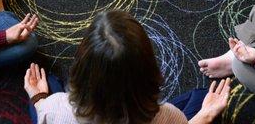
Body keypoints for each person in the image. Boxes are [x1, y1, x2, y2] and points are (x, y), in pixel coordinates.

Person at [24, 10, 231, 123]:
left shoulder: (53, 108)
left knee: (48, 81)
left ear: (81, 69)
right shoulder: (167, 115)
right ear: (148, 71)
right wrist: (204, 117)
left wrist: (38, 98)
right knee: (204, 96)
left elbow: (46, 112)